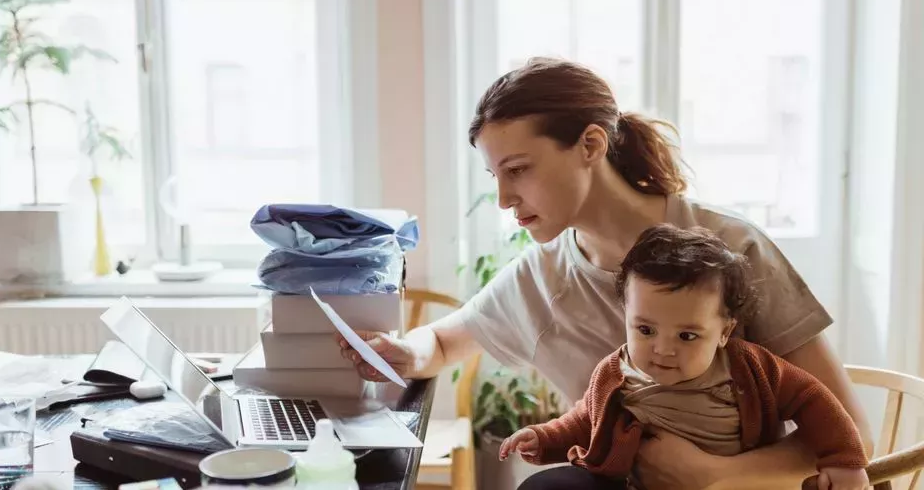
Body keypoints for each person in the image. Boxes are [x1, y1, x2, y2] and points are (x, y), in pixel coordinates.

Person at [335, 58, 873, 489]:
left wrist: (715, 476)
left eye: (519, 170)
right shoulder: (541, 276)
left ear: (591, 145)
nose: (503, 198)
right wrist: (405, 353)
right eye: (495, 176)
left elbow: (854, 434)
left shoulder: (730, 248)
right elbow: (444, 343)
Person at [499, 224, 869, 490]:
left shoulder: (749, 368)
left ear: (724, 332)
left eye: (687, 335)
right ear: (626, 316)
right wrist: (543, 438)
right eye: (645, 330)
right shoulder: (616, 371)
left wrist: (844, 461)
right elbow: (585, 418)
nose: (662, 349)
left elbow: (814, 400)